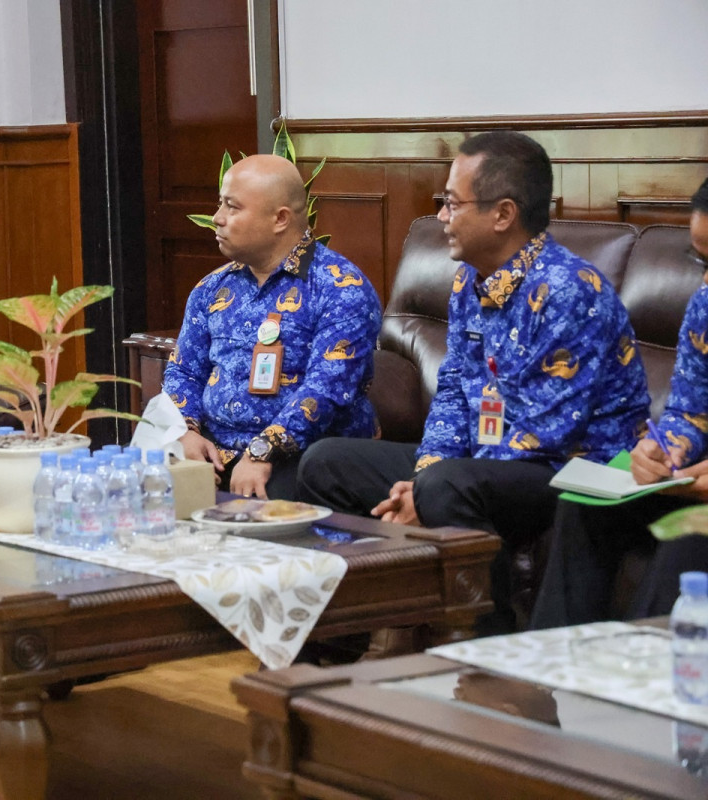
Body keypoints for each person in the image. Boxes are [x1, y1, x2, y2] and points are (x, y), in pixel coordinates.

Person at [297, 131, 651, 634]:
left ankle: (488, 641)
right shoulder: (470, 279)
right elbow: (454, 390)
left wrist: (429, 487)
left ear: (503, 214)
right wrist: (424, 471)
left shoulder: (569, 291)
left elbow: (545, 434)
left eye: (452, 203)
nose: (441, 216)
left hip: (568, 472)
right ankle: (389, 619)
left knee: (448, 486)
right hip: (485, 464)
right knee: (327, 462)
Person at [531, 177, 708, 628]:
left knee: (691, 534)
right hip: (694, 483)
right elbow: (689, 411)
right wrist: (665, 449)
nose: (706, 281)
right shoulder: (705, 308)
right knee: (584, 504)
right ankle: (546, 675)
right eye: (702, 260)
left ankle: (642, 685)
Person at [163, 154, 381, 500]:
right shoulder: (212, 288)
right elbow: (183, 371)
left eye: (232, 208)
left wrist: (264, 450)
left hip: (302, 457)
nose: (217, 219)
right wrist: (186, 432)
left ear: (280, 219)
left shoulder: (340, 288)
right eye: (220, 205)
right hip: (212, 452)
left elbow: (326, 391)